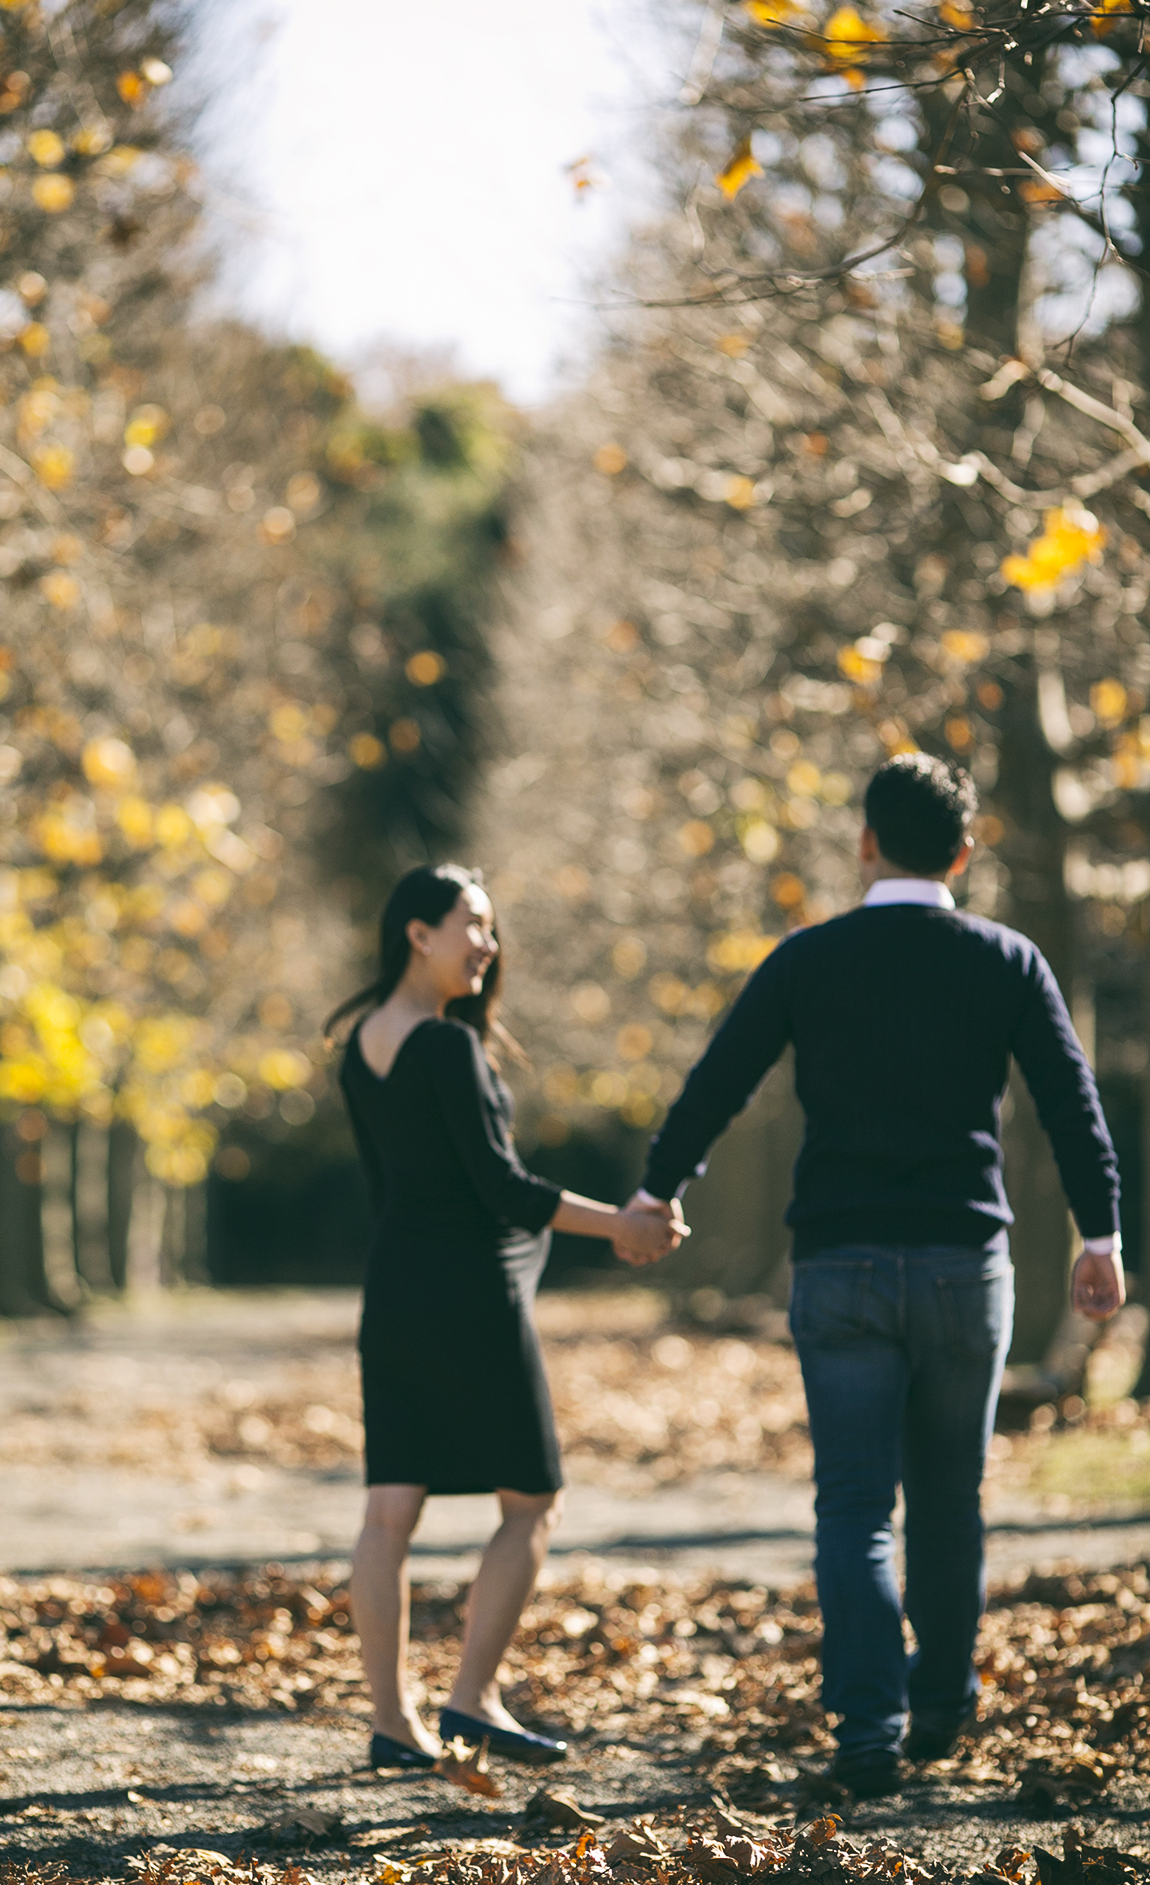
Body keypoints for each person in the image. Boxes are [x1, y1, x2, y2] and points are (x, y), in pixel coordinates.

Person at [625, 754, 1124, 1798]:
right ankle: (941, 1701)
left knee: (853, 1504)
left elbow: (717, 1077)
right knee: (950, 1497)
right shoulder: (1007, 959)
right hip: (960, 1264)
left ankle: (865, 1723)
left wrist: (657, 1189)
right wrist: (1100, 1236)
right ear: (964, 849)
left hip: (841, 1263)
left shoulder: (809, 958)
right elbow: (1072, 1104)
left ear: (864, 841)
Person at [328, 862, 687, 1772]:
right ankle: (472, 1700)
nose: (487, 944)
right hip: (471, 1295)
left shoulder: (360, 1042)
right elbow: (500, 1188)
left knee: (387, 1511)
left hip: (396, 1289)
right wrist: (621, 1226)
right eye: (472, 925)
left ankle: (390, 1723)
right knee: (531, 1502)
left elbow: (386, 1192)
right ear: (419, 931)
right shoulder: (447, 1047)